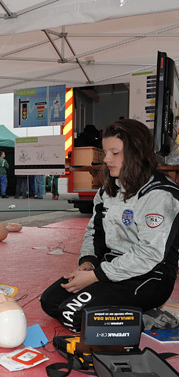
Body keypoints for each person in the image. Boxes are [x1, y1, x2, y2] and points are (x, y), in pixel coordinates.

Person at [40, 119, 179, 332]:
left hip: (150, 276)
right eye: (105, 152)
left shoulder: (160, 195)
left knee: (73, 316)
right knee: (49, 302)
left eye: (115, 153)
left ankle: (149, 318)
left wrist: (96, 276)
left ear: (137, 153)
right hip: (109, 267)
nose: (106, 159)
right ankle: (123, 307)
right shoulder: (108, 190)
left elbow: (149, 254)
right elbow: (93, 232)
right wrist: (87, 264)